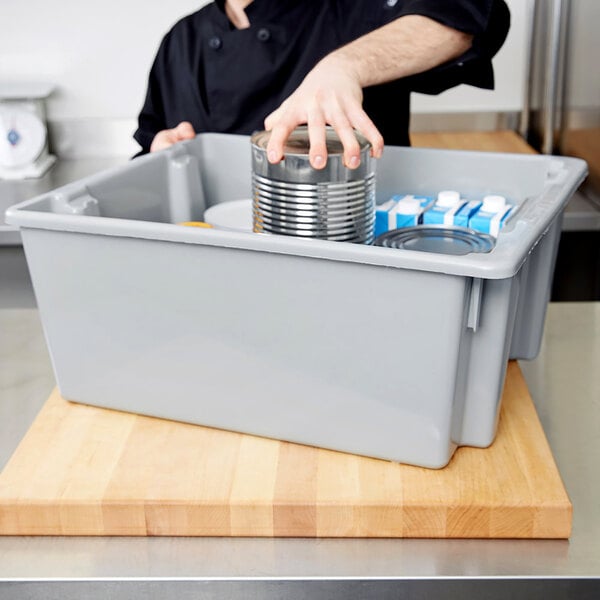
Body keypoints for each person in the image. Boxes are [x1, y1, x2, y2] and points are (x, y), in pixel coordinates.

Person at [134, 0, 510, 169]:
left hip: (347, 255)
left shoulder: (349, 8)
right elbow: (150, 146)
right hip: (219, 255)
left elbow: (467, 12)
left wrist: (345, 65)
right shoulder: (180, 41)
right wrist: (162, 154)